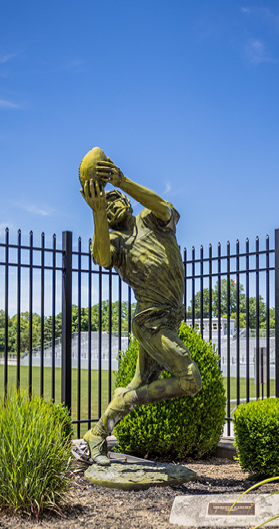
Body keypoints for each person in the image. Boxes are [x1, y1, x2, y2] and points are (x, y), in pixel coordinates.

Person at [80, 158, 201, 465]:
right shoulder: (114, 241)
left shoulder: (151, 219)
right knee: (190, 380)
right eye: (104, 206)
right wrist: (96, 214)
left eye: (114, 199)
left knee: (136, 383)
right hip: (151, 323)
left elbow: (165, 208)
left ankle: (95, 436)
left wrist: (122, 181)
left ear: (128, 201)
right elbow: (103, 257)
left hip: (169, 318)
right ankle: (130, 399)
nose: (110, 205)